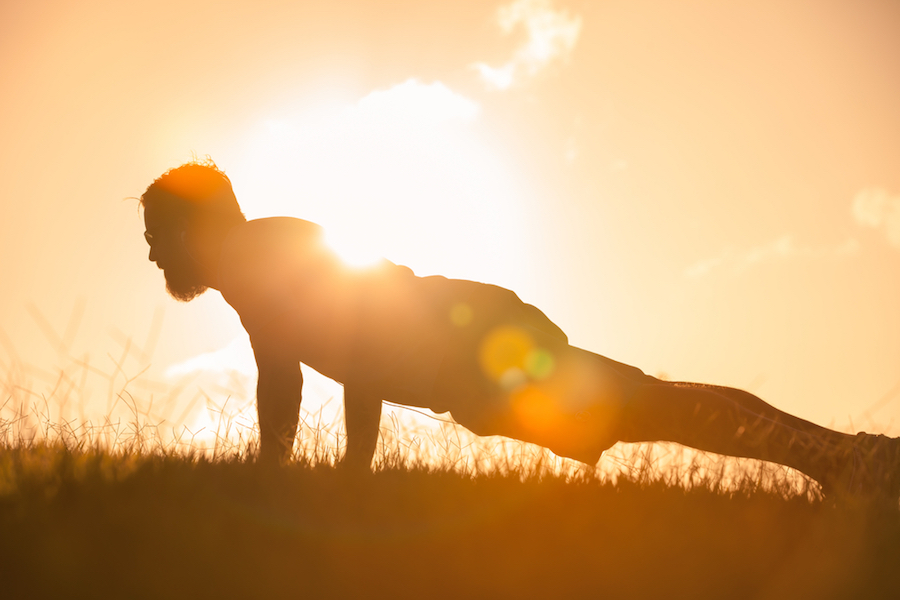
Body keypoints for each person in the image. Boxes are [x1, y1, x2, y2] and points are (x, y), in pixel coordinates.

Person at [140, 160, 899, 500]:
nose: (149, 252)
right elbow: (319, 367)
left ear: (190, 228)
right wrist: (314, 473)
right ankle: (847, 458)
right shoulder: (261, 259)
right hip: (476, 339)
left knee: (646, 410)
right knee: (648, 401)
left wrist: (334, 476)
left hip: (476, 356)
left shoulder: (258, 259)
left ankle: (849, 460)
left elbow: (333, 354)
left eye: (156, 234)